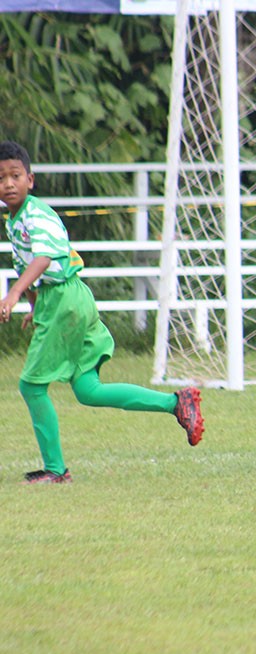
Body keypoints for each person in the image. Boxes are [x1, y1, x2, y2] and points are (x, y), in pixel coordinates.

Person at [0, 141, 204, 484]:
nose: (8, 183)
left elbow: (44, 259)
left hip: (65, 301)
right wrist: (34, 307)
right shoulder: (14, 220)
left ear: (30, 180)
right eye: (1, 177)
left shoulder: (37, 214)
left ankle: (55, 470)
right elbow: (30, 268)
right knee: (88, 390)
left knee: (31, 386)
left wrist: (14, 293)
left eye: (15, 175)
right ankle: (176, 403)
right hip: (64, 300)